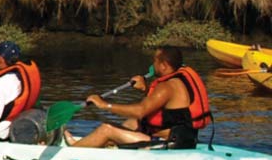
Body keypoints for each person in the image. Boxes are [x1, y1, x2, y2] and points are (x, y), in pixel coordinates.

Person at [67, 46, 211, 149]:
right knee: (133, 123)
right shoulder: (179, 79)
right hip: (186, 137)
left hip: (172, 144)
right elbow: (164, 106)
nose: (152, 64)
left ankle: (73, 151)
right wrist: (146, 89)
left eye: (155, 61)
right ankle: (103, 144)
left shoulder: (167, 86)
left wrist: (105, 105)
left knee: (107, 129)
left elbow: (141, 110)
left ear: (164, 66)